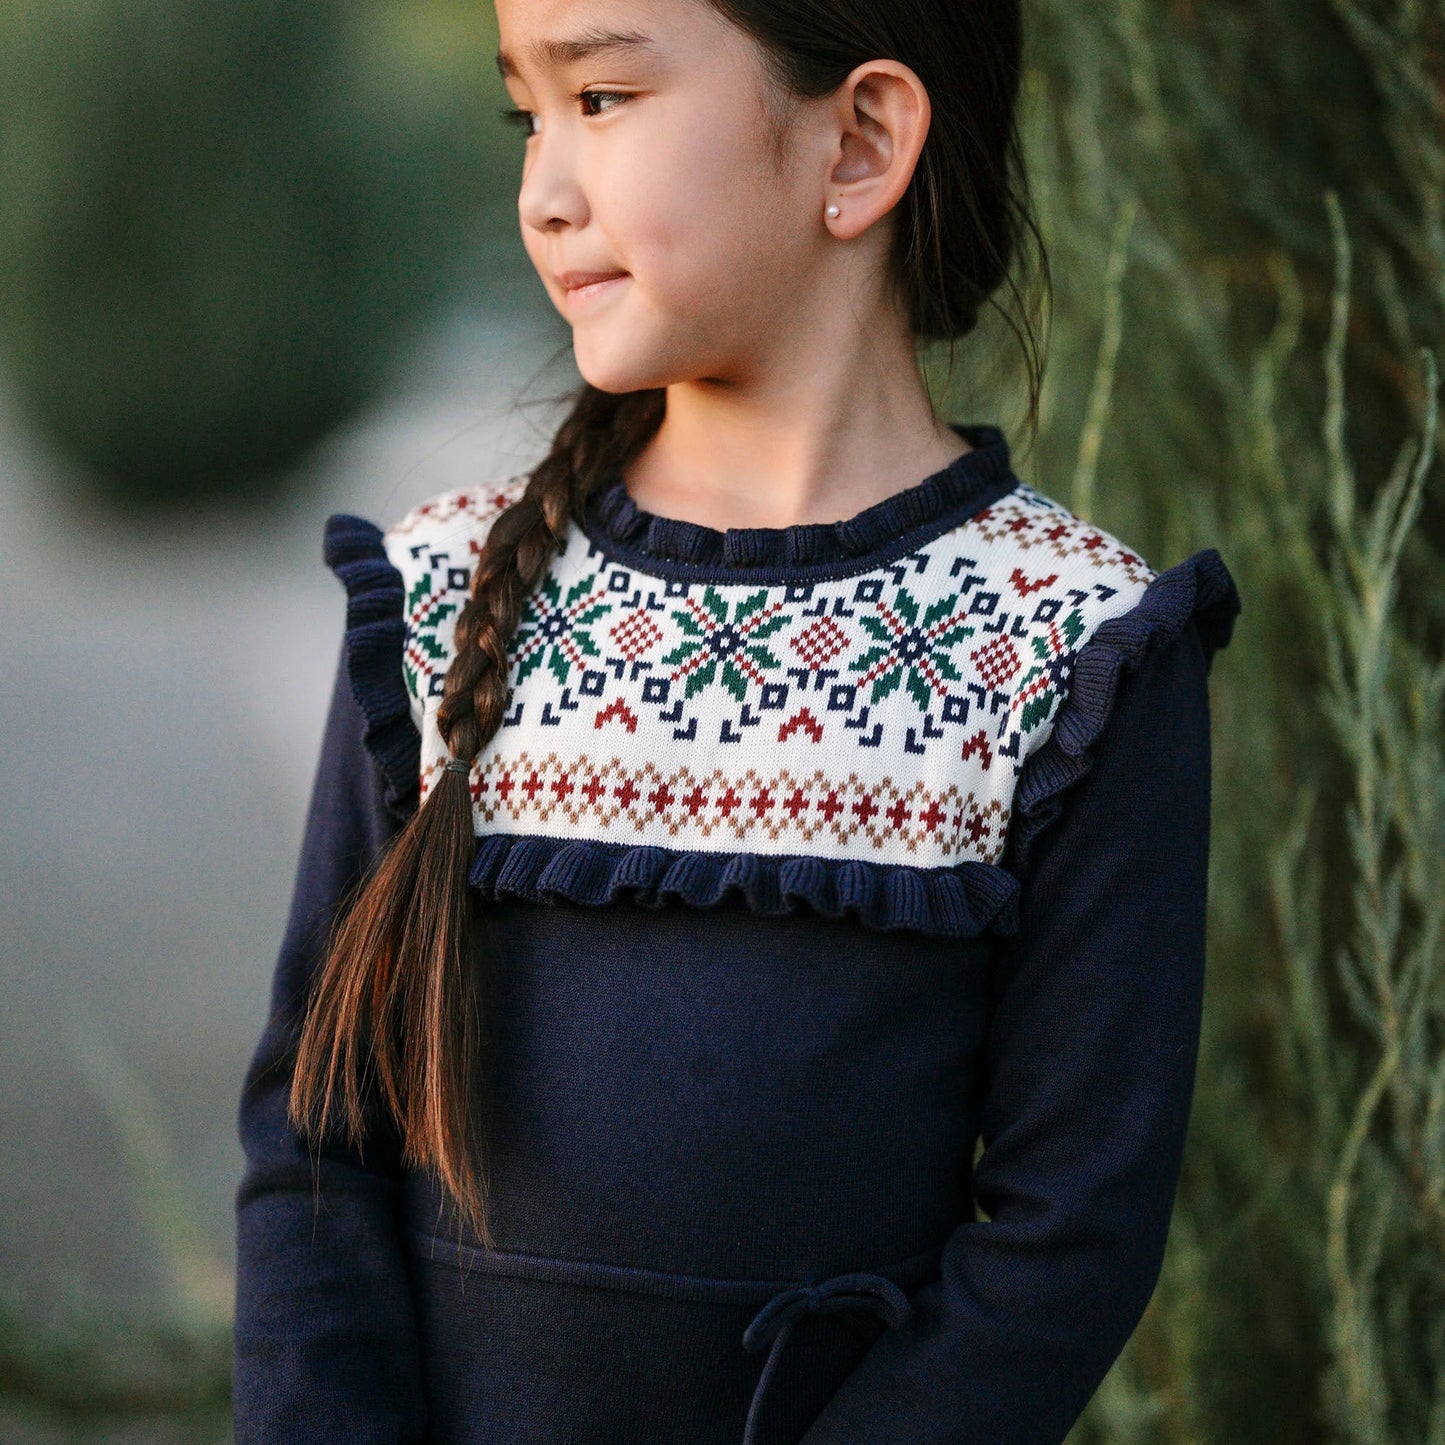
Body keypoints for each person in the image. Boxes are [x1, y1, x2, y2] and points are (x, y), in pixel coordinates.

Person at [232, 0, 1243, 1440]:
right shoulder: (450, 593)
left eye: (604, 99)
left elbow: (1066, 1234)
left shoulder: (1067, 645)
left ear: (862, 137)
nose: (543, 187)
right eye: (528, 112)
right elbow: (312, 1139)